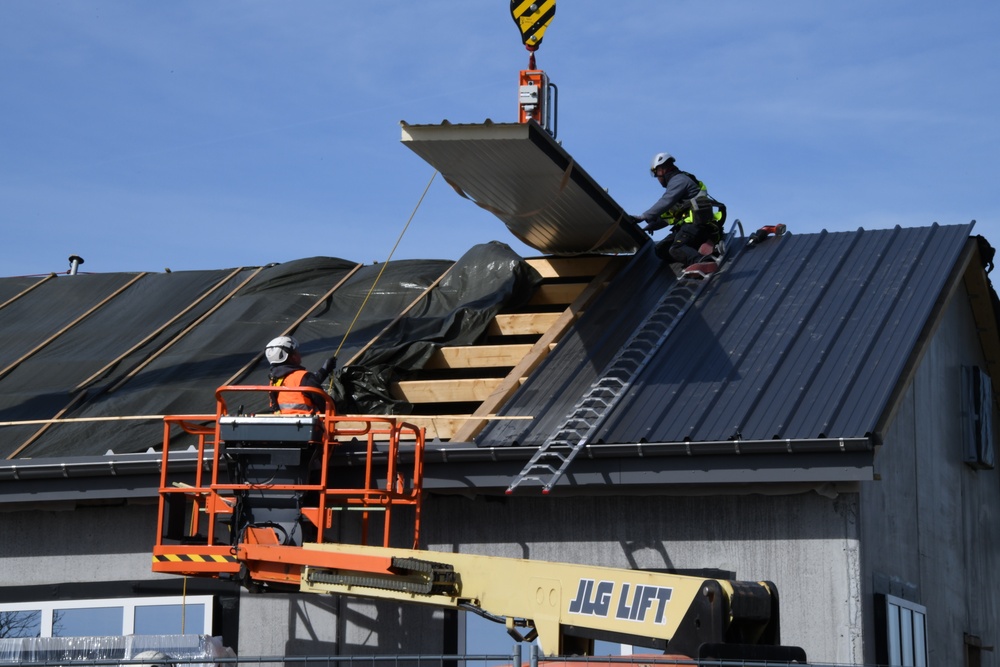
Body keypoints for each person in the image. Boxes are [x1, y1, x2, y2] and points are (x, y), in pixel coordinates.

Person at [635, 152, 725, 266]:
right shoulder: (677, 185)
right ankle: (696, 250)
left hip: (698, 225)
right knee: (661, 250)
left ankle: (703, 262)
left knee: (676, 248)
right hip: (688, 226)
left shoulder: (679, 180)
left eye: (656, 174)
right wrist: (653, 225)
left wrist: (644, 216)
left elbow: (665, 201)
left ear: (662, 170)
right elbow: (670, 216)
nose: (657, 178)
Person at [264, 335, 337, 414]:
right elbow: (326, 407)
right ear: (293, 357)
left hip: (283, 424)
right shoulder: (304, 377)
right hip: (307, 424)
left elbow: (301, 385)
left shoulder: (274, 381)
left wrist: (324, 370)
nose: (299, 353)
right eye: (296, 350)